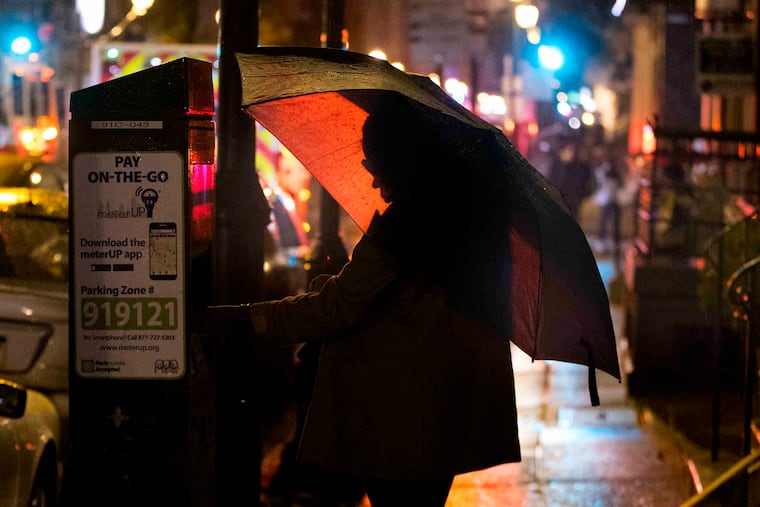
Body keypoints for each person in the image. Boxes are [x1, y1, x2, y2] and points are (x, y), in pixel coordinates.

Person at [208, 98, 521, 506]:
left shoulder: (407, 225)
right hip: (445, 411)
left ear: (400, 161)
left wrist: (249, 319)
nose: (373, 181)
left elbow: (337, 307)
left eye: (376, 164)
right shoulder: (465, 217)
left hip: (402, 414)